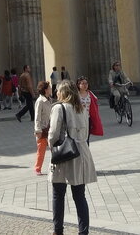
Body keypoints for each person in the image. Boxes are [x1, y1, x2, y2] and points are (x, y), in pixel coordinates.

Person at [48, 80, 96, 235]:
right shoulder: (81, 108)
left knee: (58, 194)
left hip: (64, 153)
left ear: (62, 93)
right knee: (79, 196)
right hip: (81, 152)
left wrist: (53, 147)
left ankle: (58, 230)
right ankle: (83, 232)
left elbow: (53, 133)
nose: (56, 93)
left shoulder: (59, 107)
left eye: (58, 91)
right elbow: (87, 132)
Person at [33, 80, 53, 176]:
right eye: (49, 88)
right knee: (41, 150)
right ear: (45, 90)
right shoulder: (40, 101)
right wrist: (38, 130)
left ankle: (54, 167)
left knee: (54, 149)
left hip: (50, 128)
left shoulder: (49, 99)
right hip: (43, 129)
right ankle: (37, 168)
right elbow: (37, 117)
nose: (50, 89)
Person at [76, 76, 103, 142]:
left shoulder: (90, 93)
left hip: (88, 118)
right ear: (78, 85)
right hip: (78, 119)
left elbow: (95, 103)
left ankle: (86, 150)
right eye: (82, 83)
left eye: (86, 83)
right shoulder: (76, 95)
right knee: (79, 137)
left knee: (87, 137)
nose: (85, 85)